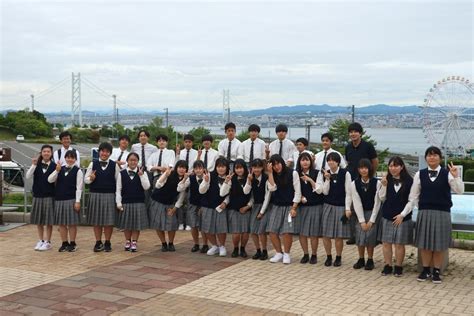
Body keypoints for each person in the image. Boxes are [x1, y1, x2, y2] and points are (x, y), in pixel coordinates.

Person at [402, 146, 464, 284]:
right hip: (425, 212)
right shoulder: (419, 174)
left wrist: (456, 176)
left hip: (443, 213)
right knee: (424, 244)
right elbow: (413, 196)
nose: (432, 157)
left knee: (439, 244)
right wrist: (422, 207)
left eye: (435, 155)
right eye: (429, 155)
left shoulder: (447, 173)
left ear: (440, 158)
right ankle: (425, 270)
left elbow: (459, 191)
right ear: (426, 158)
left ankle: (436, 271)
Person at [378, 156, 414, 277]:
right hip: (387, 215)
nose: (393, 168)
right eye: (391, 166)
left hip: (403, 217)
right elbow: (382, 198)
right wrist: (383, 186)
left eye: (395, 166)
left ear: (402, 167)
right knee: (386, 242)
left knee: (399, 244)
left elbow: (412, 201)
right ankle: (388, 265)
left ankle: (398, 266)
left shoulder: (409, 181)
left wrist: (402, 215)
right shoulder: (386, 179)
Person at [344, 122, 378, 245]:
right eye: (351, 132)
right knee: (353, 208)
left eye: (355, 131)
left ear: (360, 133)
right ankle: (354, 235)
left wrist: (370, 176)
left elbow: (375, 161)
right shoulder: (348, 147)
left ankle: (372, 234)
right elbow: (348, 163)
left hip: (367, 180)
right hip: (353, 181)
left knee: (368, 206)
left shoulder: (368, 146)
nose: (353, 134)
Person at [84, 142, 120, 252]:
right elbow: (86, 180)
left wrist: (118, 198)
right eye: (102, 151)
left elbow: (118, 183)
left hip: (110, 195)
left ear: (110, 153)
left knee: (109, 221)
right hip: (95, 195)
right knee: (97, 221)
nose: (104, 153)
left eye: (107, 151)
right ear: (99, 152)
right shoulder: (92, 164)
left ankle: (108, 242)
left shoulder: (115, 165)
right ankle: (98, 242)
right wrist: (91, 178)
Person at [266, 154, 301, 264]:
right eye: (274, 165)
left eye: (278, 163)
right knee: (272, 230)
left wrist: (294, 207)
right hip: (276, 206)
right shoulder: (272, 174)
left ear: (282, 162)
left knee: (287, 232)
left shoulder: (292, 173)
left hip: (289, 206)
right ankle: (278, 253)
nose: (277, 167)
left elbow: (298, 191)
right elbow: (272, 188)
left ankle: (286, 254)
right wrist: (270, 173)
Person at [320, 152, 352, 267]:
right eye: (329, 160)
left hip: (341, 206)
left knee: (339, 235)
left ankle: (338, 257)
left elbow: (349, 193)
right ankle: (328, 256)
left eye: (333, 160)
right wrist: (327, 179)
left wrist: (347, 209)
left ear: (338, 162)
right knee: (326, 234)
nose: (330, 162)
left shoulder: (345, 173)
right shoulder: (326, 173)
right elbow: (325, 192)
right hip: (328, 206)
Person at [48, 150, 83, 252]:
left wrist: (77, 201)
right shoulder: (60, 169)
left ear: (75, 159)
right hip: (59, 199)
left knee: (72, 223)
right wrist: (57, 171)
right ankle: (64, 243)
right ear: (65, 158)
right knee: (61, 223)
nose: (70, 159)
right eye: (68, 157)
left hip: (71, 199)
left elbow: (79, 187)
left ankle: (73, 243)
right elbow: (50, 180)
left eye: (72, 158)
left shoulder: (78, 171)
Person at [149, 160, 187, 252]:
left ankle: (171, 243)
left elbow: (181, 195)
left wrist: (175, 208)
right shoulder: (169, 173)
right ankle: (163, 243)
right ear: (176, 167)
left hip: (170, 203)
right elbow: (158, 185)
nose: (181, 169)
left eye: (184, 168)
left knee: (172, 224)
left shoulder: (186, 179)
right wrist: (165, 174)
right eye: (180, 167)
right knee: (158, 224)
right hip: (157, 201)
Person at [350, 159, 382, 270]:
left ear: (370, 169)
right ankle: (361, 258)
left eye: (366, 168)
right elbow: (356, 202)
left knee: (370, 237)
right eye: (361, 168)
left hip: (373, 212)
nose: (363, 170)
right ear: (358, 170)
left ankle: (370, 259)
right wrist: (362, 221)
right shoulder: (354, 184)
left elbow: (377, 202)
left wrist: (371, 220)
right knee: (360, 236)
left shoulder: (377, 183)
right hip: (360, 213)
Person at [116, 152, 150, 252]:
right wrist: (118, 203)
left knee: (136, 224)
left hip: (139, 202)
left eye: (135, 160)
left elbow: (147, 187)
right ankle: (127, 241)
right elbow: (118, 189)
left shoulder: (142, 173)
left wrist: (141, 175)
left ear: (138, 161)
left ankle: (134, 242)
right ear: (127, 161)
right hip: (126, 202)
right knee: (126, 225)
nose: (133, 162)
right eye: (131, 160)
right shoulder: (121, 173)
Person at [26, 145, 57, 251]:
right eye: (44, 151)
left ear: (51, 153)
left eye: (48, 151)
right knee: (39, 220)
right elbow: (28, 176)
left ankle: (48, 242)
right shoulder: (36, 164)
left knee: (49, 221)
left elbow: (52, 180)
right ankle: (41, 240)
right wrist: (33, 165)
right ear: (41, 153)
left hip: (49, 195)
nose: (46, 153)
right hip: (37, 195)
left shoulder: (55, 166)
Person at [220, 159, 253, 258]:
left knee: (245, 232)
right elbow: (223, 193)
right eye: (237, 168)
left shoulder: (250, 178)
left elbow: (250, 194)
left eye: (241, 168)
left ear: (245, 168)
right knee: (236, 232)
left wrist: (248, 206)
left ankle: (242, 248)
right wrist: (226, 181)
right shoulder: (231, 179)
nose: (239, 170)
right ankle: (235, 248)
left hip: (246, 209)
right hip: (234, 209)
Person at [297, 152, 324, 265]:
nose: (305, 162)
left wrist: (309, 180)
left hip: (315, 206)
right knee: (302, 232)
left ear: (311, 161)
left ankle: (314, 254)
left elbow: (319, 190)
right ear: (299, 162)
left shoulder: (317, 173)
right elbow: (294, 189)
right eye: (302, 160)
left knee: (313, 233)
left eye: (307, 160)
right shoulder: (296, 173)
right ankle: (305, 254)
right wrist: (301, 197)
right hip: (302, 207)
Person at [200, 157, 230, 257]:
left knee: (221, 227)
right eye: (219, 166)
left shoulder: (230, 177)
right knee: (207, 227)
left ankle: (222, 246)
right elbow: (202, 191)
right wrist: (205, 181)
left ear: (226, 167)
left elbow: (231, 194)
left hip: (221, 206)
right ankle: (214, 246)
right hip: (208, 204)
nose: (221, 169)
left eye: (223, 167)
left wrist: (225, 203)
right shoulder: (210, 175)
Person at [177, 160, 209, 253]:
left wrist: (204, 206)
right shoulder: (190, 178)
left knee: (203, 226)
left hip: (204, 205)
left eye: (200, 168)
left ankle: (205, 244)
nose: (198, 170)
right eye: (196, 168)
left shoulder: (208, 177)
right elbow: (179, 188)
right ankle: (196, 244)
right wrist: (184, 178)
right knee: (193, 225)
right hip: (192, 204)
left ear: (203, 169)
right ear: (193, 170)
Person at [244, 158, 271, 260]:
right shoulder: (251, 178)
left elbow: (267, 196)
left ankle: (265, 251)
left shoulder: (266, 178)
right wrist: (248, 181)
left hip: (265, 206)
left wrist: (262, 211)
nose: (256, 169)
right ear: (251, 168)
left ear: (262, 167)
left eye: (259, 167)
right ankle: (258, 250)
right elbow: (246, 192)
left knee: (261, 231)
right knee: (253, 231)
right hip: (255, 206)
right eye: (254, 167)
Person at [176, 134, 198, 231]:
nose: (187, 143)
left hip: (192, 178)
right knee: (179, 201)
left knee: (190, 201)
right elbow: (176, 165)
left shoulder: (197, 153)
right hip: (181, 178)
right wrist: (177, 154)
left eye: (189, 142)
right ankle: (181, 222)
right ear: (183, 142)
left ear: (192, 143)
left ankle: (189, 223)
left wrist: (190, 174)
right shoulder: (180, 153)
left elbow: (197, 166)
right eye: (186, 142)